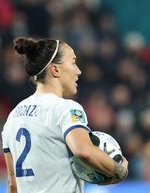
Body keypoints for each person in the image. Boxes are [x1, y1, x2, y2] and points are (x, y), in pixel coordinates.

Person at [1, 37, 128, 193]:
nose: (78, 71)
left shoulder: (13, 117)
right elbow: (83, 150)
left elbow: (12, 185)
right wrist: (119, 170)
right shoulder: (65, 108)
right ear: (55, 69)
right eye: (73, 62)